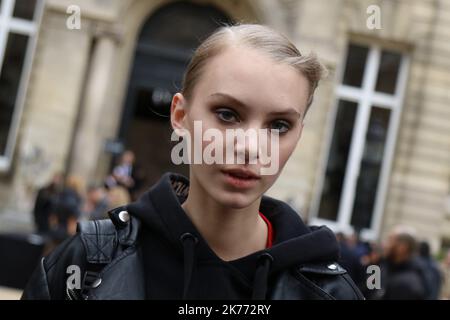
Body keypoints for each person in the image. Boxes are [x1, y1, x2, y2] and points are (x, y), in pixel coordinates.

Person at [22, 24, 363, 300]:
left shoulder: (329, 293)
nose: (250, 147)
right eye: (227, 114)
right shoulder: (87, 263)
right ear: (180, 115)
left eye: (279, 125)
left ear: (299, 134)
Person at [378, 227, 427, 300]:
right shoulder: (387, 269)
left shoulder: (406, 285)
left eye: (390, 240)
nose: (385, 245)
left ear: (403, 247)